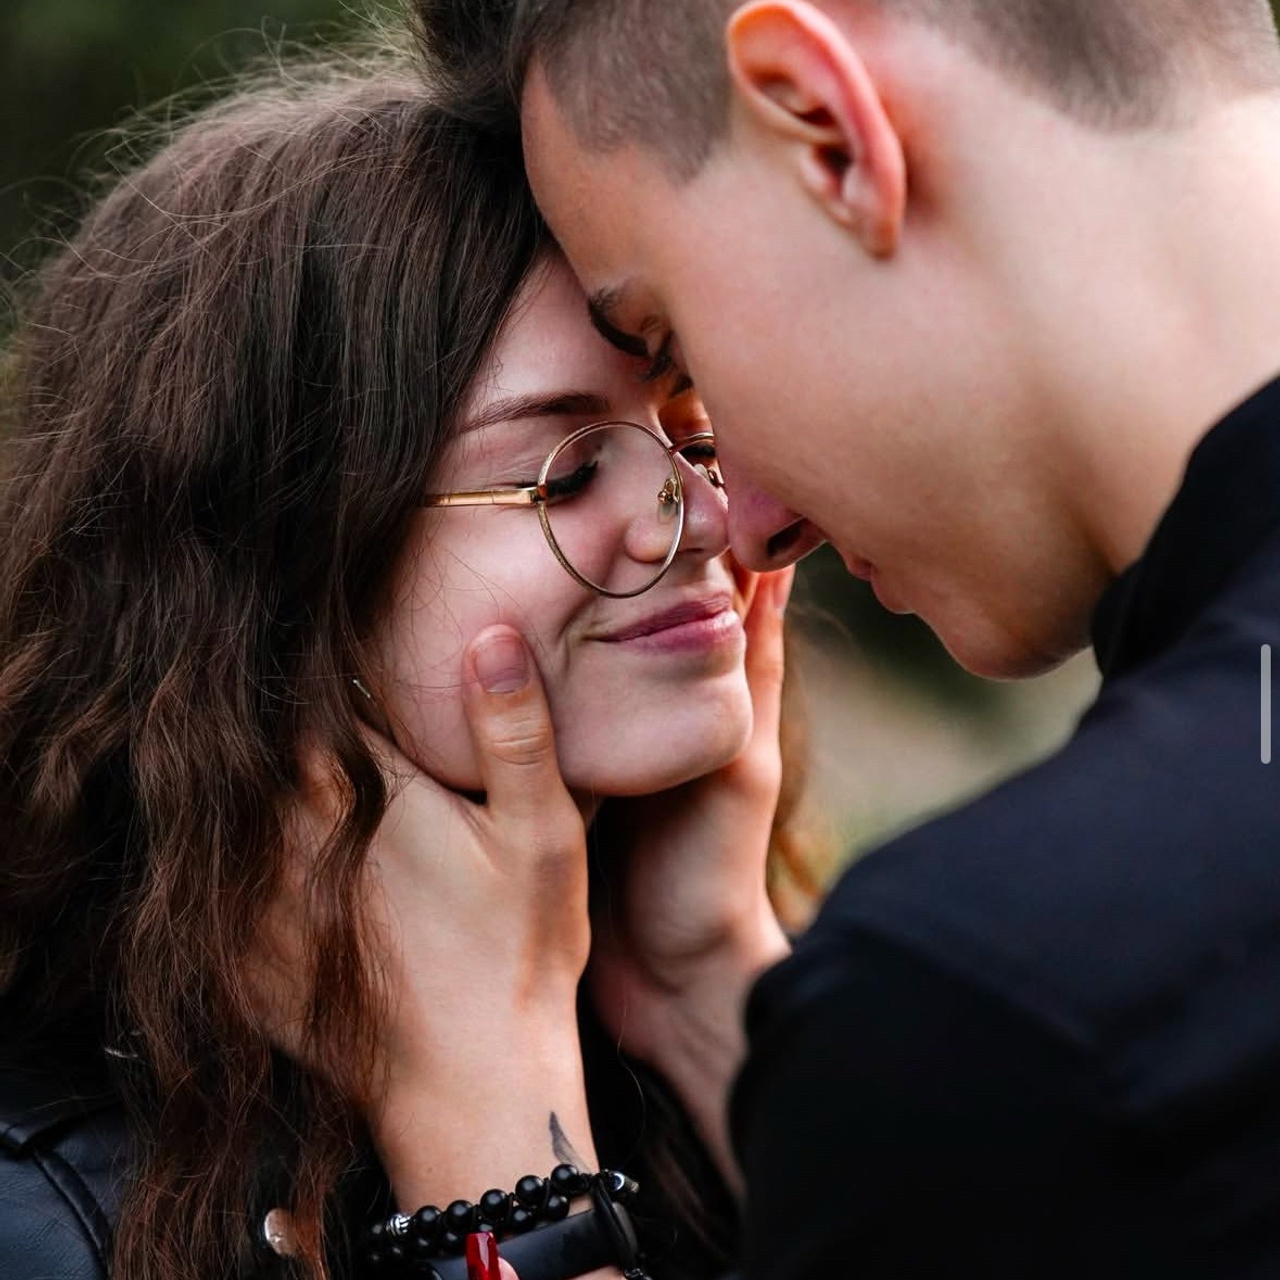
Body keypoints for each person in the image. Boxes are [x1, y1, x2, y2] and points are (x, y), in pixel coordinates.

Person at [404, 0, 1280, 1276]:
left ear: (827, 133)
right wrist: (711, 986)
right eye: (571, 466)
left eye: (673, 345)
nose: (743, 530)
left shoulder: (1012, 1002)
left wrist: (488, 1165)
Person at [0, 41, 806, 1280]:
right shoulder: (43, 1205)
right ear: (281, 571)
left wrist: (707, 977)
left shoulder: (654, 1020)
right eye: (567, 471)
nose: (706, 517)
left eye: (694, 433)